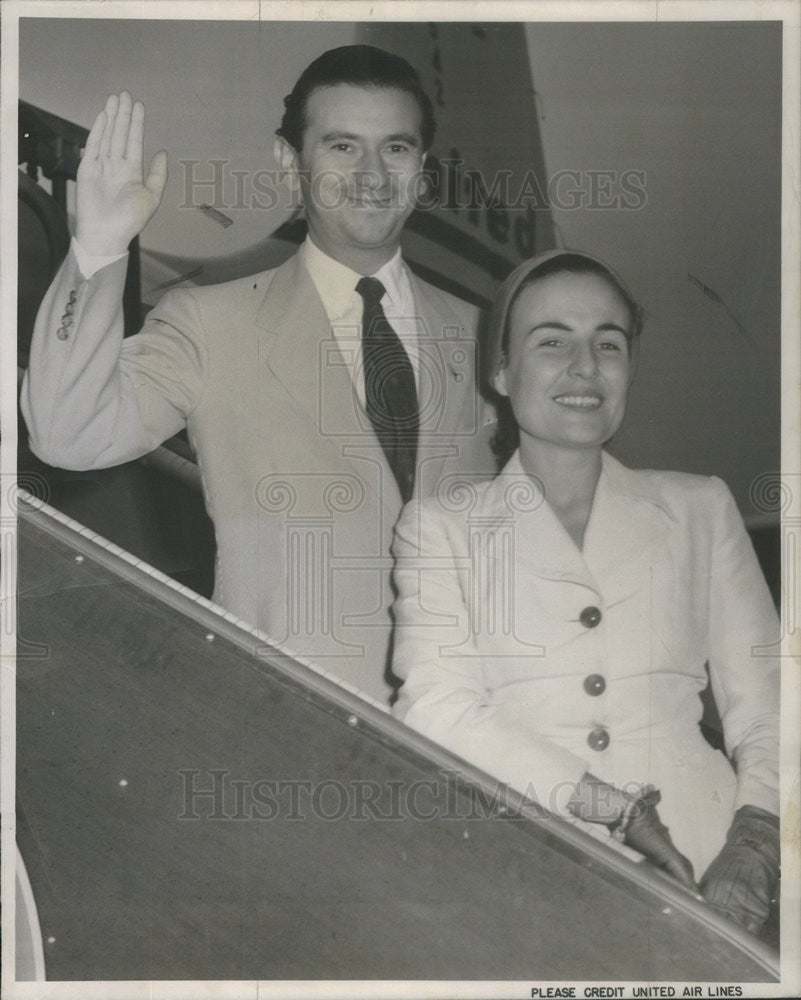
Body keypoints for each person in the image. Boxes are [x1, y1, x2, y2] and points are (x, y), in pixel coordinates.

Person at [21, 45, 495, 704]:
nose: (370, 174)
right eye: (339, 146)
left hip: (470, 750)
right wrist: (99, 246)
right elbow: (67, 437)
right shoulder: (210, 323)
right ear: (287, 160)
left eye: (394, 148)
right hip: (281, 731)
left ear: (422, 170)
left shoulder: (491, 341)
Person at [391, 249, 780, 932]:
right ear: (501, 371)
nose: (584, 367)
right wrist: (614, 809)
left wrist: (754, 844)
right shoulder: (439, 530)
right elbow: (436, 707)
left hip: (709, 870)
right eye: (552, 342)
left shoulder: (699, 508)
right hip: (523, 868)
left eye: (609, 343)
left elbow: (772, 710)